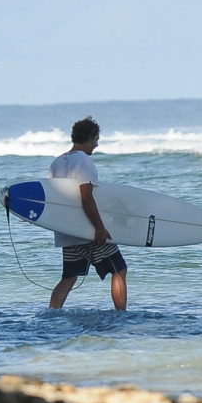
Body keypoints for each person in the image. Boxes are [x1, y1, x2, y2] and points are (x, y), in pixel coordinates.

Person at [47, 116, 128, 310]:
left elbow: (51, 197)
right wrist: (99, 228)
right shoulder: (84, 162)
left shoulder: (56, 163)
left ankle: (52, 313)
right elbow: (86, 197)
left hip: (67, 230)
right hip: (87, 229)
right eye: (96, 139)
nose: (97, 144)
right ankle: (121, 315)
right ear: (89, 137)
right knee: (119, 270)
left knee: (69, 277)